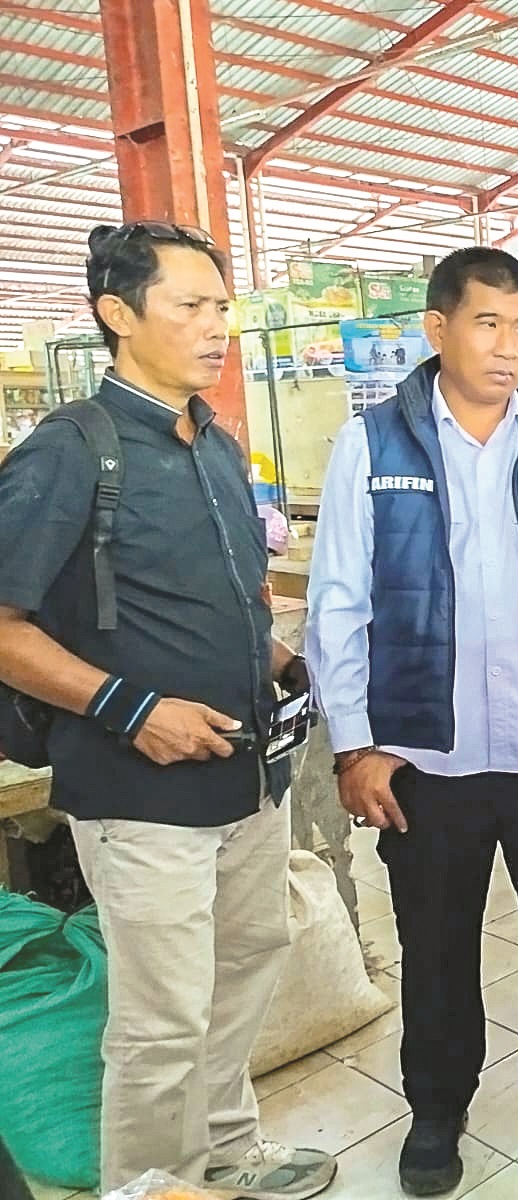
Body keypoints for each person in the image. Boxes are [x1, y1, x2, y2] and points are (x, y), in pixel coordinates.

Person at [0, 222, 334, 1198]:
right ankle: (148, 1185)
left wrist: (275, 658)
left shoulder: (215, 445)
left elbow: (204, 593)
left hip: (246, 776)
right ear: (117, 314)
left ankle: (223, 1148)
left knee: (247, 963)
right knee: (162, 1016)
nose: (214, 326)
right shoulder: (72, 454)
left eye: (221, 307)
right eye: (188, 305)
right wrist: (129, 705)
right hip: (139, 795)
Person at [305, 247, 518, 1196]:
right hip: (424, 757)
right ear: (438, 327)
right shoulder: (375, 446)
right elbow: (338, 603)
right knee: (438, 944)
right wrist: (357, 745)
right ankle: (438, 1108)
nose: (507, 346)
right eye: (488, 323)